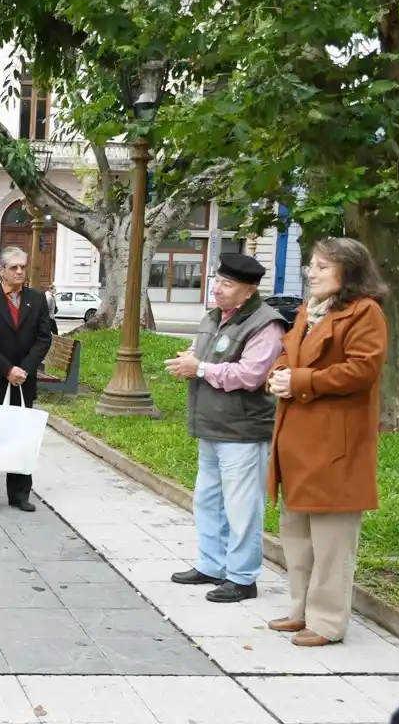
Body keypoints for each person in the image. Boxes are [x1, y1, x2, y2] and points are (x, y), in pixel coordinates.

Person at [266, 237, 387, 647]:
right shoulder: (309, 311)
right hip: (297, 442)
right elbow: (289, 353)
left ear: (348, 272)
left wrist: (300, 381)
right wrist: (279, 375)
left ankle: (328, 622)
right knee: (297, 537)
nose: (310, 272)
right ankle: (301, 611)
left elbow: (361, 371)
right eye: (312, 265)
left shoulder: (364, 312)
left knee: (332, 543)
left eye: (321, 267)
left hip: (336, 444)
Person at [165, 254, 287, 603]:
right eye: (217, 281)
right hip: (212, 426)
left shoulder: (266, 324)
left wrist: (200, 368)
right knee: (208, 501)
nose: (217, 289)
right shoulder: (215, 316)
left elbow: (252, 375)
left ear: (248, 291)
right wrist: (188, 359)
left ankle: (243, 577)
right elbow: (200, 352)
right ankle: (211, 564)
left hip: (243, 430)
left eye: (227, 284)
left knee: (242, 507)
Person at [0, 246, 53, 513]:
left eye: (22, 267)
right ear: (1, 270)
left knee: (22, 435)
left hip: (24, 381)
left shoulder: (37, 299)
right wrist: (7, 369)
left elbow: (44, 337)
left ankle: (20, 494)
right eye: (13, 267)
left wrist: (25, 369)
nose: (19, 272)